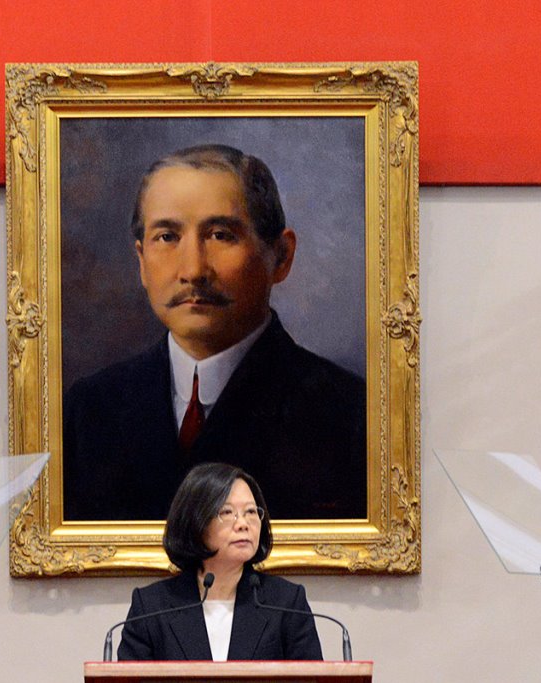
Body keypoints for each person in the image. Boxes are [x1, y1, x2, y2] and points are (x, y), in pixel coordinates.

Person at [63, 144, 367, 521]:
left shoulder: (348, 414)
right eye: (167, 237)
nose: (193, 270)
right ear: (141, 261)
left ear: (281, 256)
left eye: (221, 235)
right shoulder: (89, 410)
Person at [118, 463, 323, 661]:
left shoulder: (287, 603)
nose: (243, 524)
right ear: (195, 521)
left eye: (251, 512)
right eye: (227, 512)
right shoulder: (151, 608)